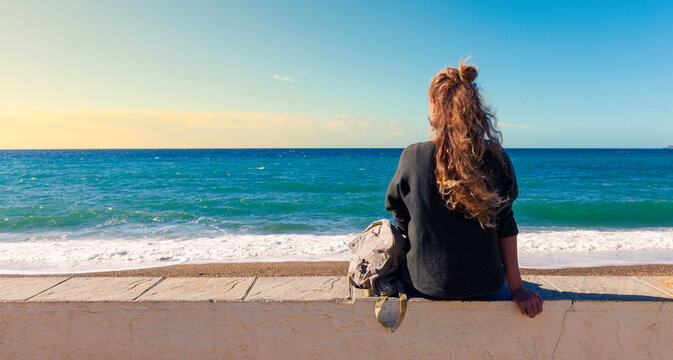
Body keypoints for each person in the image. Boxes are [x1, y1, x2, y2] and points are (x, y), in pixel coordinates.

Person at [385, 59, 543, 318]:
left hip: (424, 285)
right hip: (486, 285)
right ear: (474, 105)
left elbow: (400, 216)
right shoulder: (494, 156)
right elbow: (506, 224)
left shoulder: (412, 156)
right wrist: (518, 289)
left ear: (433, 104)